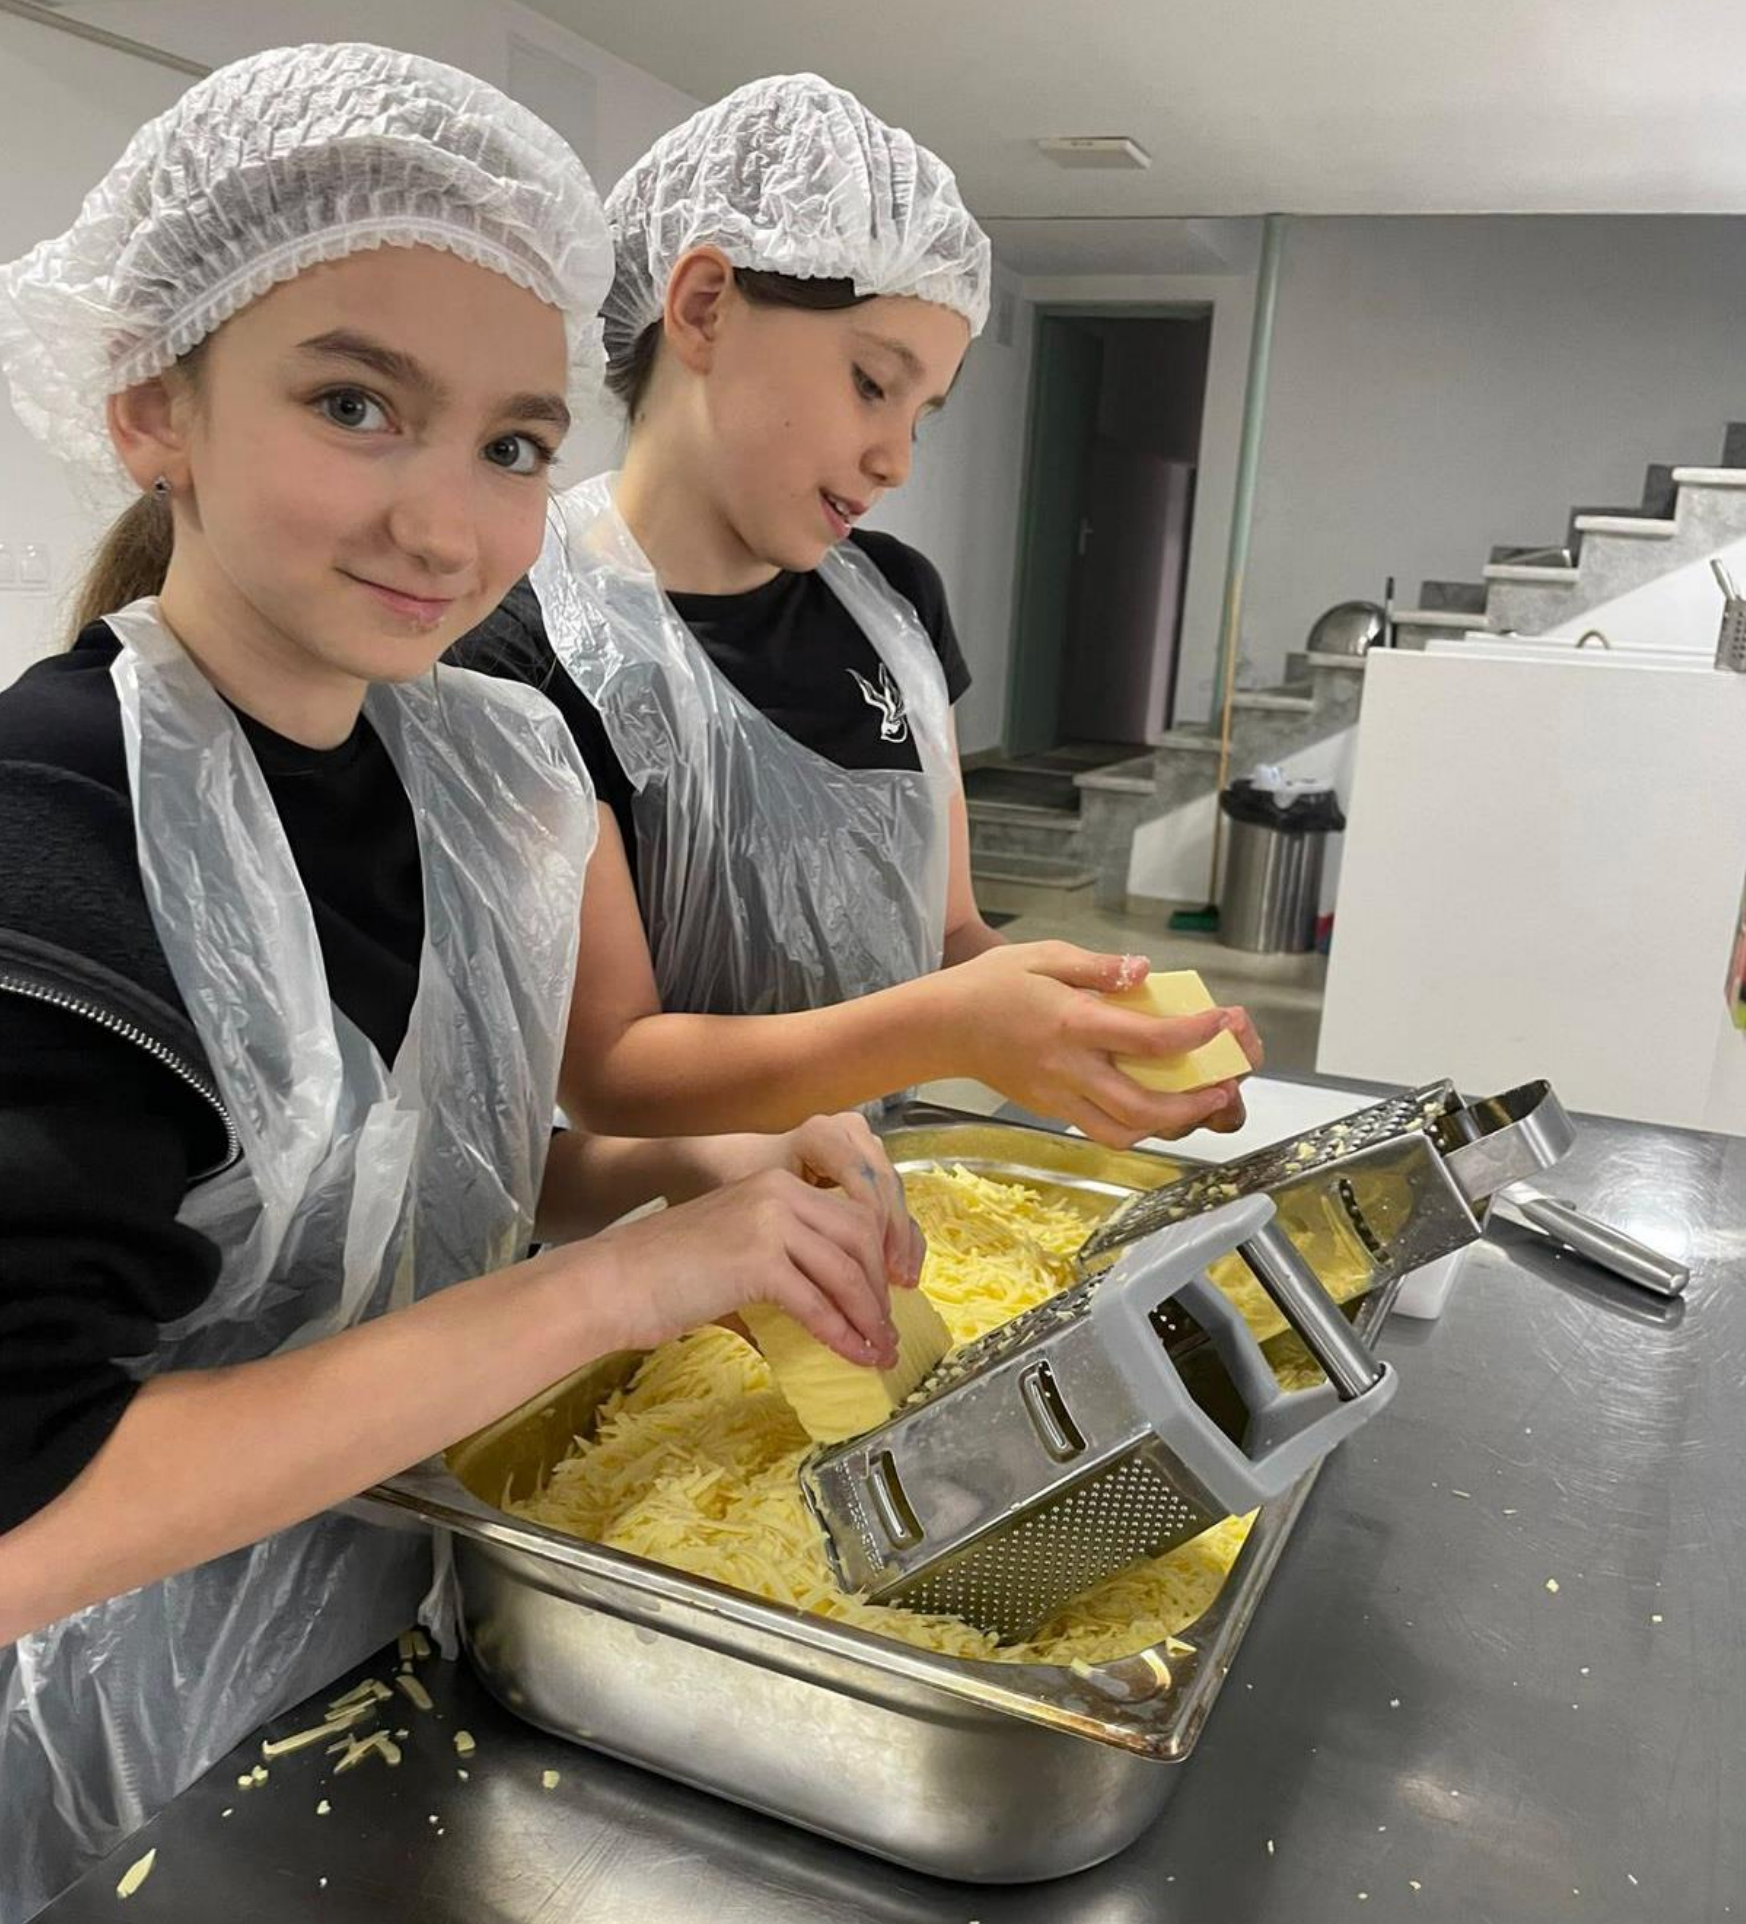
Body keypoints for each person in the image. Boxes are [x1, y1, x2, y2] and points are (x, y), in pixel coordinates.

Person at [0, 46, 918, 1920]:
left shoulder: (481, 766)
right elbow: (25, 1515)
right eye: (356, 402)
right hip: (121, 1777)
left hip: (406, 1645)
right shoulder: (56, 849)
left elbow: (387, 1186)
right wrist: (629, 1279)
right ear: (149, 404)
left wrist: (690, 1180)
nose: (448, 525)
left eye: (511, 444)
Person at [449, 74, 1262, 1152]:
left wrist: (1090, 1023)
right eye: (873, 384)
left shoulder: (894, 606)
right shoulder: (526, 635)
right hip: (648, 1252)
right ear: (702, 307)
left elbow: (952, 931)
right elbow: (611, 1074)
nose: (895, 459)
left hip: (872, 1200)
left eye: (922, 412)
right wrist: (953, 1027)